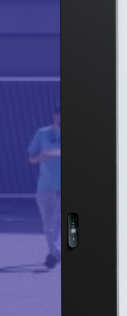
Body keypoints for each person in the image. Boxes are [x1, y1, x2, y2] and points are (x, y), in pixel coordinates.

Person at [26, 105, 62, 269]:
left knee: (69, 221)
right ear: (54, 116)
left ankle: (54, 254)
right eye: (59, 115)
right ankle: (54, 251)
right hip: (46, 187)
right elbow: (31, 159)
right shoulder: (42, 134)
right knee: (49, 223)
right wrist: (41, 157)